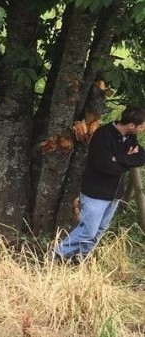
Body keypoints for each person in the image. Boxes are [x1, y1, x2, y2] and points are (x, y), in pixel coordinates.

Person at [54, 105, 145, 263]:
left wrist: (118, 158)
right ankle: (58, 253)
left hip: (114, 193)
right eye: (142, 126)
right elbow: (105, 166)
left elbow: (141, 157)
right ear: (132, 125)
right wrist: (126, 160)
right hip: (95, 192)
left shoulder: (130, 137)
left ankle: (80, 258)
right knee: (88, 231)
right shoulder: (103, 136)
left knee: (100, 229)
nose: (143, 129)